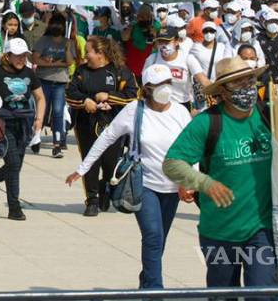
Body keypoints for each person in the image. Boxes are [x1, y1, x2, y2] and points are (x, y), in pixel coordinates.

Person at [67, 64, 193, 289]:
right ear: (146, 88)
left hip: (172, 188)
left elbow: (193, 148)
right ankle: (155, 291)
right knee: (153, 236)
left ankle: (146, 282)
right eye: (157, 85)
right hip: (143, 185)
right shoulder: (135, 110)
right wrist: (83, 168)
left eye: (166, 84)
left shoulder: (180, 112)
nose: (163, 89)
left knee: (159, 241)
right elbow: (107, 137)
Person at [163, 57, 278, 291]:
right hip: (219, 232)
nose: (247, 87)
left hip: (262, 229)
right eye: (238, 83)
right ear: (223, 92)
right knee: (223, 295)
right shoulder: (207, 122)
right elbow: (172, 163)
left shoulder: (270, 115)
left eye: (250, 80)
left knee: (264, 293)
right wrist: (205, 183)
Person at [68, 36, 137, 216]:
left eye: (88, 52)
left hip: (113, 125)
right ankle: (91, 200)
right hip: (86, 125)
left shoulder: (120, 72)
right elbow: (70, 93)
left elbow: (132, 96)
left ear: (101, 54)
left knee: (110, 163)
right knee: (90, 161)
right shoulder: (81, 71)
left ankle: (105, 187)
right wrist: (85, 102)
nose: (85, 56)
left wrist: (109, 97)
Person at [0, 37, 44, 220]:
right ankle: (14, 207)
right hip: (4, 123)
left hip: (24, 124)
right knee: (13, 163)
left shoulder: (29, 73)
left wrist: (39, 120)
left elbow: (40, 97)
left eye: (23, 56)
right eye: (17, 56)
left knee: (15, 166)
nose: (21, 59)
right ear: (7, 55)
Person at [31, 12, 76, 158]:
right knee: (41, 112)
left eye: (60, 24)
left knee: (57, 112)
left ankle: (57, 144)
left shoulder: (68, 42)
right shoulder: (43, 40)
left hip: (60, 82)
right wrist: (52, 63)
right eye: (54, 23)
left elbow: (69, 62)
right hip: (44, 80)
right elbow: (35, 59)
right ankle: (36, 136)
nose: (57, 27)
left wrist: (68, 49)